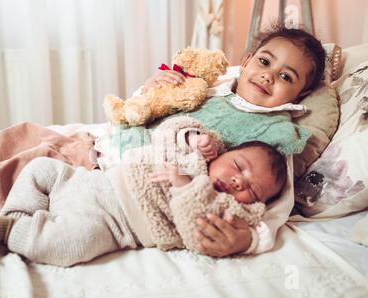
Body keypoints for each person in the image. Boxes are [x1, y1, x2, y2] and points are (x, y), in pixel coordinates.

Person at [94, 25, 326, 258]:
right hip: (110, 145)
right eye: (265, 62)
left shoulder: (277, 132)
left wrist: (250, 240)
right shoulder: (211, 87)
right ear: (246, 62)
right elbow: (147, 110)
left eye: (286, 77)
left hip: (143, 187)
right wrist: (148, 88)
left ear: (300, 95)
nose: (269, 75)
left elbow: (278, 205)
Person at [0, 116, 287, 267]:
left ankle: (7, 232)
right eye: (239, 166)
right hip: (92, 181)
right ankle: (16, 219)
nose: (238, 182)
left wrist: (186, 186)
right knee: (39, 168)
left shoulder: (227, 211)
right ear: (225, 152)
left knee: (68, 245)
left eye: (252, 190)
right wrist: (192, 137)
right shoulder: (195, 153)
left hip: (113, 223)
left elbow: (194, 233)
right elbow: (166, 131)